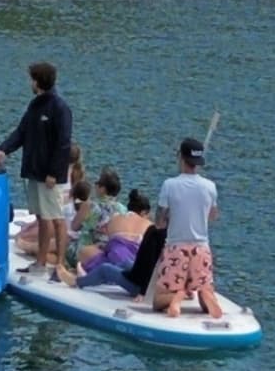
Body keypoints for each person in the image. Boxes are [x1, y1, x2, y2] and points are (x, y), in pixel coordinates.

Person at [0, 62, 73, 278]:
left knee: (55, 218)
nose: (30, 83)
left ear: (38, 81)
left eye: (31, 79)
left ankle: (60, 264)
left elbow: (63, 143)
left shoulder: (59, 108)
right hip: (34, 172)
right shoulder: (35, 105)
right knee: (41, 217)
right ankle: (41, 262)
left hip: (49, 176)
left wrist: (54, 173)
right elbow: (21, 132)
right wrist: (3, 150)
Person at [153, 136, 222, 319]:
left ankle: (177, 295)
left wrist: (170, 216)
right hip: (201, 249)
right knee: (203, 289)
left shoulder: (169, 185)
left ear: (181, 158)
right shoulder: (210, 187)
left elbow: (159, 222)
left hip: (176, 248)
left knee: (158, 300)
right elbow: (213, 216)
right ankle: (205, 295)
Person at [67, 189, 153, 288]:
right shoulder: (150, 225)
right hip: (134, 263)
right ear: (143, 212)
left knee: (85, 252)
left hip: (117, 259)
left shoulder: (115, 218)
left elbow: (109, 246)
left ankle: (82, 276)